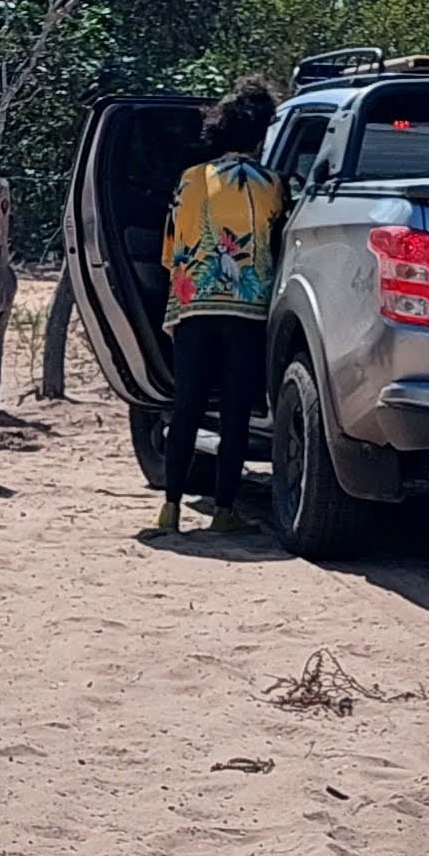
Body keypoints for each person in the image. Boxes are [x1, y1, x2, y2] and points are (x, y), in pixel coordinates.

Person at [154, 80, 283, 532]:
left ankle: (169, 508)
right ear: (262, 132)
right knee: (234, 413)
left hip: (194, 306)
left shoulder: (192, 179)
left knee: (187, 405)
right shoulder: (274, 185)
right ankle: (225, 512)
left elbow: (171, 248)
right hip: (248, 310)